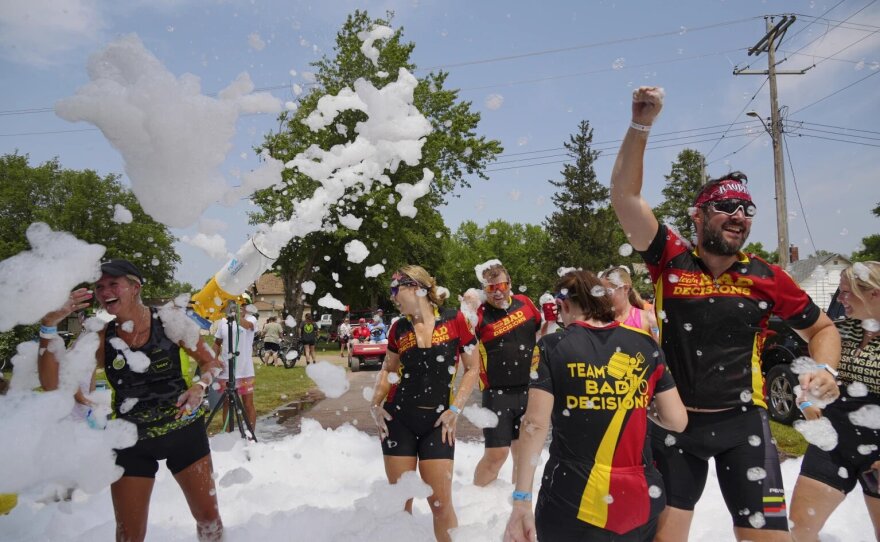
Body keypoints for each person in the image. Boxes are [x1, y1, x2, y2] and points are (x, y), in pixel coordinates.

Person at [609, 86, 842, 542]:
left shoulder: (766, 276)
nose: (739, 215)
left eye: (746, 209)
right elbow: (624, 196)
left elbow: (823, 327)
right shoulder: (669, 259)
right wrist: (641, 125)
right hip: (674, 424)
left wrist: (825, 368)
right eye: (725, 206)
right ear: (698, 216)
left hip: (743, 427)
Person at [37, 259, 223, 541]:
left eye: (113, 284)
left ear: (134, 287)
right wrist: (48, 325)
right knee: (128, 536)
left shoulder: (170, 321)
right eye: (99, 287)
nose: (105, 291)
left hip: (183, 433)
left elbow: (212, 364)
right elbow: (53, 385)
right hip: (130, 441)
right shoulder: (100, 335)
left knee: (209, 521)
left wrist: (200, 385)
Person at [503, 270, 688, 542]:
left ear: (564, 305)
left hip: (573, 495)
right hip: (637, 497)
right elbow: (677, 421)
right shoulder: (645, 344)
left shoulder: (552, 346)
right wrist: (628, 401)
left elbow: (534, 424)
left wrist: (521, 500)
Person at [369, 265, 481, 542]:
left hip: (438, 424)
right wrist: (374, 403)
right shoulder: (399, 327)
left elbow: (472, 369)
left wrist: (456, 409)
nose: (393, 297)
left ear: (415, 287)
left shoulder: (455, 321)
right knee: (400, 504)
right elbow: (388, 369)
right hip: (399, 421)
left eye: (395, 290)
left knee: (440, 504)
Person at [790, 261, 880, 541]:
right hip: (834, 443)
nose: (840, 299)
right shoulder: (839, 331)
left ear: (874, 293)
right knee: (799, 530)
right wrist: (807, 403)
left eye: (846, 292)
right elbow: (808, 383)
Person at [470, 261, 543, 487]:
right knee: (497, 454)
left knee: (523, 455)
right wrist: (467, 305)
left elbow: (541, 336)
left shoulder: (526, 303)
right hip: (496, 393)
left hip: (528, 389)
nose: (498, 292)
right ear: (484, 290)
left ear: (509, 284)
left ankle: (513, 506)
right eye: (491, 288)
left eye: (501, 285)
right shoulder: (479, 314)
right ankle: (475, 500)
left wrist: (550, 321)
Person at [212, 298, 258, 433]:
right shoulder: (223, 322)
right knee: (227, 405)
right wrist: (214, 358)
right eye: (238, 304)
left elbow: (247, 325)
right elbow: (217, 343)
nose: (241, 307)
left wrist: (235, 313)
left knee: (248, 405)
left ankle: (250, 436)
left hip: (245, 371)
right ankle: (228, 436)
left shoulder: (252, 319)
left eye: (243, 305)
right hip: (227, 371)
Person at [600, 265, 659, 342]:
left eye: (608, 292)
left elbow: (658, 351)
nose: (604, 297)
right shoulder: (601, 320)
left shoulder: (647, 319)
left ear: (625, 288)